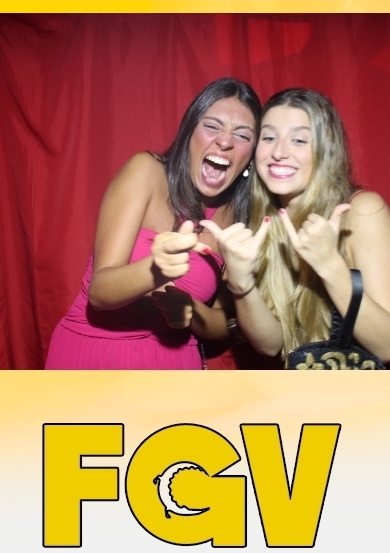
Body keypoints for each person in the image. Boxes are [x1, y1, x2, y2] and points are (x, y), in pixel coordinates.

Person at [45, 79, 261, 369]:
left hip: (174, 365)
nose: (225, 141)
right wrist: (157, 269)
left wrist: (192, 310)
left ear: (251, 156)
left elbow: (224, 321)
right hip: (95, 355)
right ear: (189, 132)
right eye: (212, 126)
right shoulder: (146, 171)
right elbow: (100, 292)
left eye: (242, 135)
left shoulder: (239, 220)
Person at [201, 89, 390, 365]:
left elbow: (389, 347)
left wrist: (330, 266)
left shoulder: (361, 211)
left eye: (298, 140)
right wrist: (242, 284)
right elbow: (271, 345)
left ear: (325, 151)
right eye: (269, 138)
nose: (278, 152)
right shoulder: (260, 223)